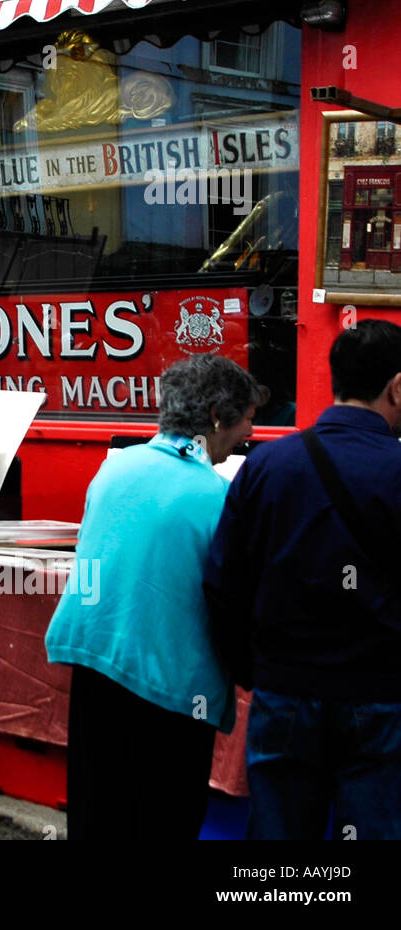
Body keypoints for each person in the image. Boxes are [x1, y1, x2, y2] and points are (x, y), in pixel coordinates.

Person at [45, 354, 264, 839]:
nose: (250, 430)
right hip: (168, 680)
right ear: (216, 418)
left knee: (98, 809)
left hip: (94, 660)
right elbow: (230, 595)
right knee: (165, 817)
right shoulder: (217, 495)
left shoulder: (116, 469)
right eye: (247, 416)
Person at [204, 319, 401, 840]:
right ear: (397, 387)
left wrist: (256, 670)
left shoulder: (267, 464)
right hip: (381, 697)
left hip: (284, 691)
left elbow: (223, 583)